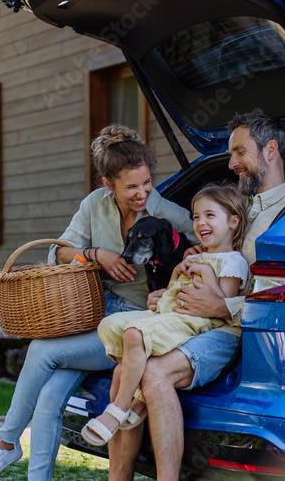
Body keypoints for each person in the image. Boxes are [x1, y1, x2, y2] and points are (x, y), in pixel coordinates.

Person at [0, 125, 194, 481]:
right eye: (131, 187)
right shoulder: (94, 205)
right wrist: (96, 254)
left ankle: (6, 442)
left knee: (42, 351)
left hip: (130, 324)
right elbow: (59, 253)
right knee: (49, 397)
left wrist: (185, 269)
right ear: (108, 184)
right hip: (89, 314)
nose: (142, 193)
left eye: (147, 182)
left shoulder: (166, 212)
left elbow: (208, 242)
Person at [108, 109, 285, 481]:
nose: (231, 163)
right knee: (122, 370)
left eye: (239, 152)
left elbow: (280, 295)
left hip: (243, 335)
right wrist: (169, 296)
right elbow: (211, 265)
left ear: (270, 150)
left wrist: (223, 306)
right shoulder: (236, 208)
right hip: (194, 323)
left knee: (154, 373)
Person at [80, 184, 249, 446]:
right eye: (196, 216)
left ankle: (119, 409)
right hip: (170, 312)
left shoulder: (233, 261)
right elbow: (172, 290)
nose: (200, 222)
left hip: (195, 321)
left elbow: (221, 306)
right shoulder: (197, 255)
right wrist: (177, 272)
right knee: (110, 325)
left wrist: (205, 272)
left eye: (209, 215)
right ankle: (138, 397)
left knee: (134, 334)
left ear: (233, 221)